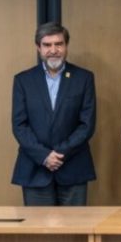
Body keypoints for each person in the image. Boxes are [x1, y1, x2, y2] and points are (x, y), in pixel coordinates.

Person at [11, 22, 96, 206]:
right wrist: (44, 156)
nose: (53, 50)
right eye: (47, 45)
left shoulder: (84, 78)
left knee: (75, 232)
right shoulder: (23, 80)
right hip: (35, 169)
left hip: (74, 168)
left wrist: (60, 153)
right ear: (38, 48)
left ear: (66, 46)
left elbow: (86, 125)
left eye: (59, 44)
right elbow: (20, 126)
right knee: (39, 233)